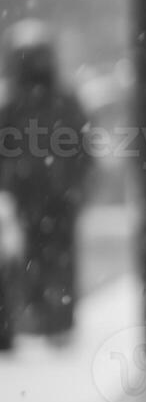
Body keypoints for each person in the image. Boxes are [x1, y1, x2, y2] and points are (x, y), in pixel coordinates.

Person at [0, 21, 90, 343]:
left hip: (54, 196)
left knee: (52, 258)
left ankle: (55, 321)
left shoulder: (57, 102)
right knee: (35, 258)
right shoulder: (15, 106)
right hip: (32, 196)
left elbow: (83, 147)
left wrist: (74, 184)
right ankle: (41, 318)